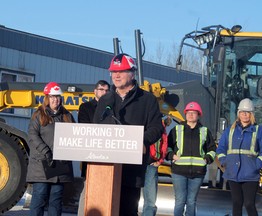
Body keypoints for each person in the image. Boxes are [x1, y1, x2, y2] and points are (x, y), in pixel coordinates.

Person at [93, 53, 163, 216]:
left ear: (132, 73)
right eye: (113, 72)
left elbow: (156, 128)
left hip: (131, 170)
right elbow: (96, 127)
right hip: (105, 169)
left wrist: (139, 141)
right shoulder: (106, 100)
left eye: (121, 71)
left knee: (127, 210)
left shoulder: (147, 100)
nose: (116, 75)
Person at [216, 98, 262, 216]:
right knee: (236, 203)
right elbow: (221, 149)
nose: (245, 115)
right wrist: (224, 161)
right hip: (233, 173)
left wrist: (256, 165)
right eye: (242, 112)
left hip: (250, 174)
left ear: (252, 114)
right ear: (238, 114)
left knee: (249, 204)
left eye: (247, 112)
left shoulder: (259, 130)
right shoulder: (229, 131)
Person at [26, 82, 75, 216]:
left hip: (60, 166)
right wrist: (46, 152)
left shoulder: (67, 116)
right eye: (53, 97)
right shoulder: (39, 115)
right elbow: (32, 136)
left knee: (56, 200)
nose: (56, 100)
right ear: (47, 98)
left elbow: (74, 135)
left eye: (58, 97)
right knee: (39, 198)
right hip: (42, 165)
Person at [166, 101, 216, 216]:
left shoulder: (205, 131)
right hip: (179, 172)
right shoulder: (177, 130)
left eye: (194, 113)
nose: (190, 115)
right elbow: (167, 146)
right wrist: (171, 155)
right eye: (188, 112)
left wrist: (207, 159)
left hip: (198, 172)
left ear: (199, 115)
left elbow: (212, 149)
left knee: (191, 202)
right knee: (180, 201)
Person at [77, 80, 110, 216]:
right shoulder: (85, 107)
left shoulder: (112, 109)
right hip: (91, 156)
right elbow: (85, 129)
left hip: (108, 157)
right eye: (101, 89)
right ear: (95, 91)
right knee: (87, 191)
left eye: (107, 90)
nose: (104, 92)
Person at [142, 116, 172, 216]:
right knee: (131, 196)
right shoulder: (138, 117)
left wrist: (160, 160)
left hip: (151, 164)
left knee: (150, 200)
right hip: (136, 163)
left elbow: (164, 142)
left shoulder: (160, 124)